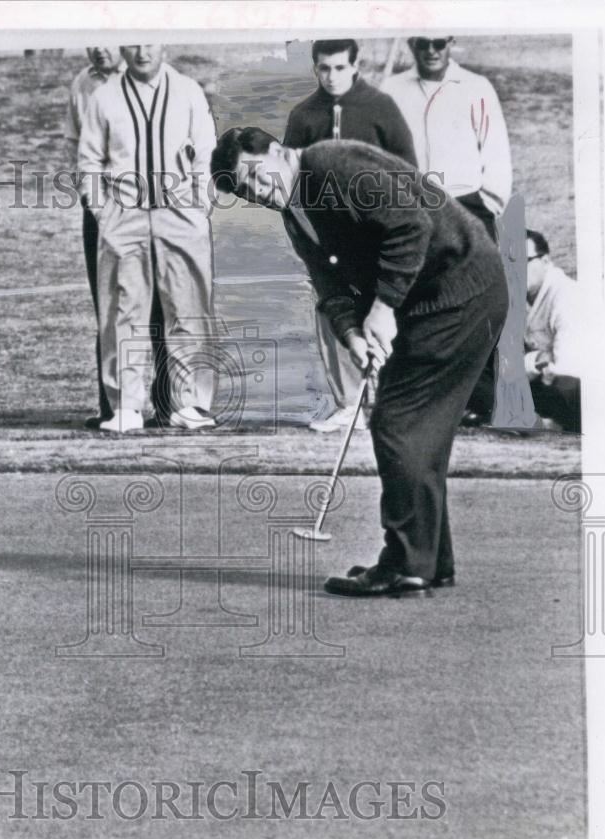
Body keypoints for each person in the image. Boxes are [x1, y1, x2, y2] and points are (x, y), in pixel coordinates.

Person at [210, 129, 508, 597]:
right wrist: (350, 334)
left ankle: (406, 562)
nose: (257, 191)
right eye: (246, 192)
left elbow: (411, 225)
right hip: (437, 296)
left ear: (276, 151)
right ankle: (430, 560)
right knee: (415, 429)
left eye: (253, 174)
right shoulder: (293, 208)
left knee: (397, 423)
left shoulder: (333, 164)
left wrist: (384, 308)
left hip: (458, 289)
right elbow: (326, 279)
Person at [78, 44, 218, 433]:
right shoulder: (104, 97)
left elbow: (206, 152)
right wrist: (103, 211)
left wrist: (200, 205)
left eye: (150, 41)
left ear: (165, 42)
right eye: (133, 42)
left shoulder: (188, 90)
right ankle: (126, 404)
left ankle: (191, 403)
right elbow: (89, 160)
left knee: (188, 306)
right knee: (123, 308)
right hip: (124, 214)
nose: (141, 51)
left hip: (180, 212)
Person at [284, 38, 416, 434]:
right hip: (329, 235)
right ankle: (349, 404)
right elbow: (290, 178)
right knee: (335, 311)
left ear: (355, 66)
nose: (332, 76)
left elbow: (407, 171)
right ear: (315, 68)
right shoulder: (304, 115)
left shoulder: (381, 108)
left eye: (340, 68)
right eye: (324, 68)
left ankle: (395, 404)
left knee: (387, 312)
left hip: (377, 231)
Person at [383, 37, 513, 424]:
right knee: (422, 306)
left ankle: (485, 401)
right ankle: (433, 399)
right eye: (422, 43)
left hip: (467, 204)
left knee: (478, 303)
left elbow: (495, 151)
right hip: (414, 210)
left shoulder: (476, 87)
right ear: (410, 44)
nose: (431, 50)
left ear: (451, 41)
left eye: (439, 42)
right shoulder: (392, 90)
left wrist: (486, 204)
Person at [64, 47, 125, 429]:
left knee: (158, 306)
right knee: (107, 306)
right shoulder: (82, 84)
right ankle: (112, 406)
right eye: (91, 38)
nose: (99, 46)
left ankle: (167, 406)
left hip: (144, 202)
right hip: (98, 207)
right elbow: (73, 142)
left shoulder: (146, 76)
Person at [524, 229, 581, 432]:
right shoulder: (515, 297)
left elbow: (566, 367)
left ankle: (554, 422)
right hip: (542, 380)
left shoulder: (567, 296)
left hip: (580, 387)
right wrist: (535, 361)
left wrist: (529, 363)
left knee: (566, 386)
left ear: (546, 261)